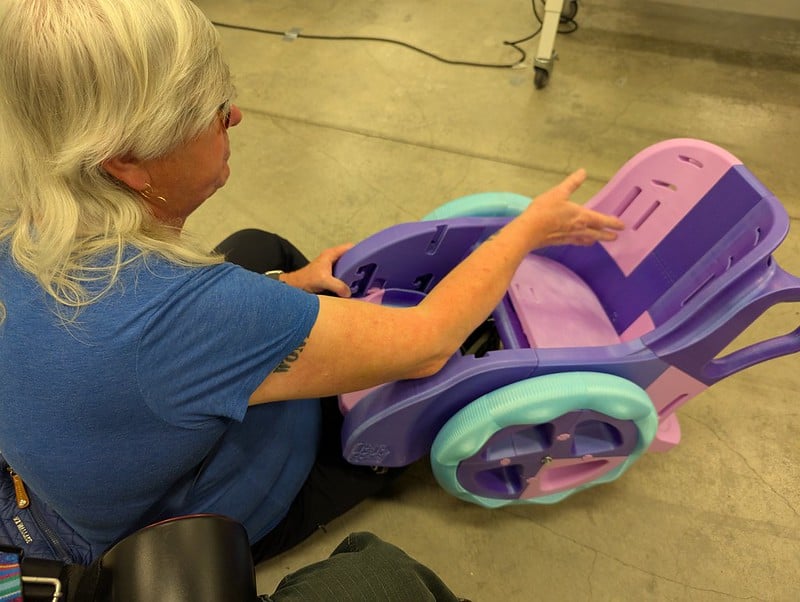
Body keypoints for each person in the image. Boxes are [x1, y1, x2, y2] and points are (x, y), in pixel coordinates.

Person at [0, 0, 624, 569]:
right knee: (408, 392)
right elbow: (429, 340)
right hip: (140, 540)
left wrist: (284, 288)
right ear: (127, 160)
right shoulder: (184, 312)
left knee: (261, 251)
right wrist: (526, 233)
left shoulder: (24, 222)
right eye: (214, 114)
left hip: (46, 490)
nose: (236, 116)